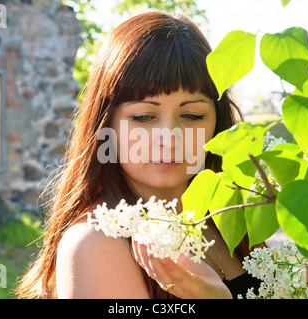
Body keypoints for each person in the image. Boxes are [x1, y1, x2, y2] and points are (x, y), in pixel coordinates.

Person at [15, 11, 269, 299]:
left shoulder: (230, 214)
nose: (170, 138)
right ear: (106, 122)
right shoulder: (97, 244)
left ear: (217, 123)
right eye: (145, 117)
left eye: (191, 115)